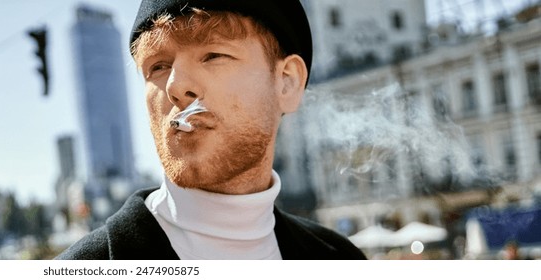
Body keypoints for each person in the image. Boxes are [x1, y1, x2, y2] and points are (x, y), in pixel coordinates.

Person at [56, 0, 366, 260]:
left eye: (213, 55)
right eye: (158, 66)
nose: (175, 86)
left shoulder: (341, 259)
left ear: (287, 81)